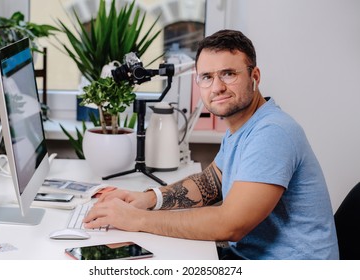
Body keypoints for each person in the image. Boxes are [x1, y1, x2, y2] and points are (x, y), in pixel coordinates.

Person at [83, 29, 339, 260]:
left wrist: (136, 218)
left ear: (255, 76)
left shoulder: (273, 133)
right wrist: (147, 199)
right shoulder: (243, 126)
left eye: (228, 74)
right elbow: (212, 181)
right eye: (207, 77)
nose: (217, 87)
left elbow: (230, 224)